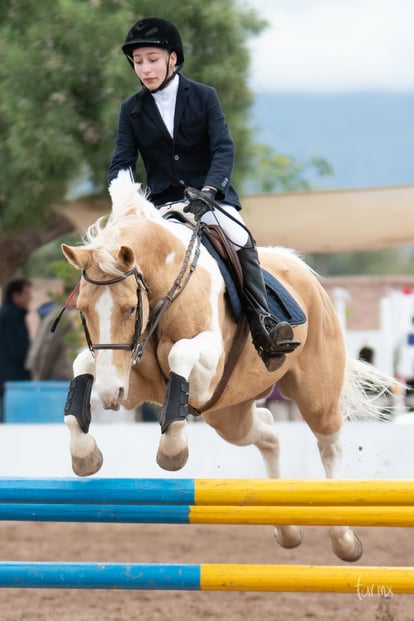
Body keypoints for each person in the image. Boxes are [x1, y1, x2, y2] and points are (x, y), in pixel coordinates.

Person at [108, 17, 300, 372]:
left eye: (152, 59)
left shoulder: (203, 96)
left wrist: (211, 189)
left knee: (239, 237)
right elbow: (122, 162)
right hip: (162, 206)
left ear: (173, 59)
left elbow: (223, 148)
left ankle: (264, 325)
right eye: (138, 61)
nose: (145, 68)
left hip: (210, 198)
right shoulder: (131, 111)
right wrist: (123, 203)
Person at [25, 289, 78, 382]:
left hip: (55, 375)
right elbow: (48, 349)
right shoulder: (60, 316)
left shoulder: (58, 314)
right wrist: (40, 378)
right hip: (55, 377)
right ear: (72, 295)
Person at [0, 278, 32, 421]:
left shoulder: (13, 314)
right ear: (15, 295)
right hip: (11, 377)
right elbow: (18, 349)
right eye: (26, 294)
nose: (30, 298)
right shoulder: (11, 316)